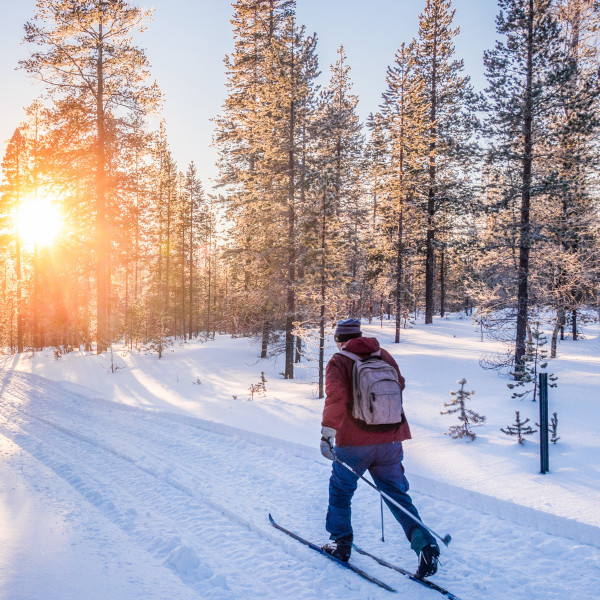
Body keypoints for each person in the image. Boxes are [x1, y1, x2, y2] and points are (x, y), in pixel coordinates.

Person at [319, 318, 440, 577]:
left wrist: (328, 433)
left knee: (341, 492)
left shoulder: (339, 361)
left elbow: (336, 398)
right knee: (397, 495)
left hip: (353, 443)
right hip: (390, 439)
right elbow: (400, 384)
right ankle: (425, 544)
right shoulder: (383, 355)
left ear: (339, 340)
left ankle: (340, 544)